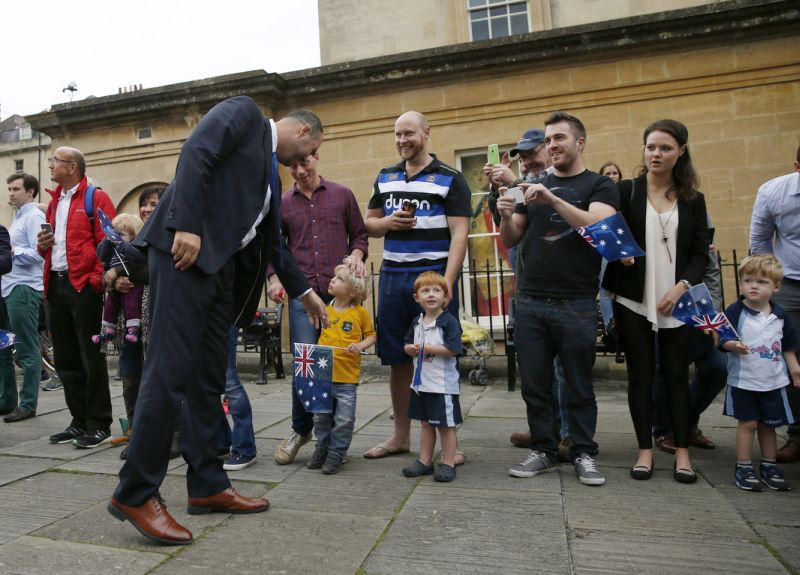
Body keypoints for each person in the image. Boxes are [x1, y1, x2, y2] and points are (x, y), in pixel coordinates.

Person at [108, 96, 328, 546]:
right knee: (167, 373)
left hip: (217, 274)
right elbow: (196, 152)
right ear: (302, 131)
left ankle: (208, 484)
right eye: (308, 152)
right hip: (184, 254)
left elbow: (271, 246)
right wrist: (186, 223)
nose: (304, 162)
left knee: (207, 382)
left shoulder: (270, 174)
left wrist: (306, 293)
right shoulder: (244, 114)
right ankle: (136, 491)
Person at [497, 110, 617, 486]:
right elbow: (512, 237)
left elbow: (597, 227)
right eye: (548, 139)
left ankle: (583, 451)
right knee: (535, 383)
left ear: (579, 143)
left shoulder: (599, 185)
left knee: (579, 383)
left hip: (576, 302)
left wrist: (550, 198)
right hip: (531, 299)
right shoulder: (529, 186)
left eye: (558, 138)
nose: (552, 145)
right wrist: (504, 215)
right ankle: (544, 449)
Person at [602, 119, 709, 484]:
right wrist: (620, 253)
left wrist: (682, 286)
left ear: (680, 152)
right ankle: (644, 451)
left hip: (676, 300)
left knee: (678, 377)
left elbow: (699, 255)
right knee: (641, 378)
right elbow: (604, 228)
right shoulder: (627, 190)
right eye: (650, 147)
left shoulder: (694, 199)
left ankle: (681, 452)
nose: (656, 154)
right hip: (633, 299)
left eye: (665, 148)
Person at [363, 111, 470, 461]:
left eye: (408, 133)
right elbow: (368, 224)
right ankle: (400, 437)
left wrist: (447, 282)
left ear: (426, 133)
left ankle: (449, 446)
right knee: (397, 357)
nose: (402, 140)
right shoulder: (386, 176)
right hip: (394, 278)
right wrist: (388, 222)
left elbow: (460, 234)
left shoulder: (451, 178)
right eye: (397, 134)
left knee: (441, 360)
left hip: (432, 279)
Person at [266, 151, 368, 465]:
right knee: (305, 364)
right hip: (302, 294)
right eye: (292, 166)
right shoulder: (282, 203)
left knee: (337, 364)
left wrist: (356, 255)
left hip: (339, 295)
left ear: (316, 157)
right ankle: (302, 429)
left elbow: (360, 236)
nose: (298, 170)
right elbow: (274, 245)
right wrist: (272, 278)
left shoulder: (342, 195)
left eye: (304, 163)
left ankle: (333, 438)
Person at [37, 148, 116, 448]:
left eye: (55, 161)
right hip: (55, 285)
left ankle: (99, 423)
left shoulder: (95, 197)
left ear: (72, 167)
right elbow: (53, 247)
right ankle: (79, 420)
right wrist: (42, 245)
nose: (51, 165)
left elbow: (108, 242)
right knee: (66, 358)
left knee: (90, 356)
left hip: (83, 286)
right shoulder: (54, 201)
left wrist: (95, 280)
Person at [719, 254, 800, 491]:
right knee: (749, 424)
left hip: (774, 382)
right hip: (745, 382)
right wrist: (734, 345)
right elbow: (723, 338)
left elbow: (787, 345)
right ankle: (743, 466)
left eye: (761, 282)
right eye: (748, 280)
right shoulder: (736, 311)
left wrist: (794, 368)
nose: (753, 286)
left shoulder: (780, 315)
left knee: (769, 425)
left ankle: (769, 464)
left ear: (776, 287)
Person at [105, 188, 165, 459]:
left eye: (154, 204)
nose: (147, 209)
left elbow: (149, 270)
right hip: (127, 322)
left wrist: (117, 271)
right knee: (130, 376)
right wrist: (112, 279)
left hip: (153, 317)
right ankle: (136, 433)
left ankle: (159, 434)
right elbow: (103, 269)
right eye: (144, 204)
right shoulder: (122, 240)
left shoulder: (161, 236)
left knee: (156, 378)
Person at [750, 147, 800, 463]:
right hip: (791, 284)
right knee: (791, 360)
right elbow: (759, 242)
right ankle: (797, 435)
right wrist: (769, 285)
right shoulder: (774, 192)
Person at [306, 261, 376, 475]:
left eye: (339, 279)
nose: (332, 280)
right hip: (323, 375)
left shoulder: (359, 313)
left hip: (347, 378)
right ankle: (322, 447)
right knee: (321, 416)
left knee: (344, 419)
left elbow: (372, 335)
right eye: (334, 277)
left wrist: (361, 345)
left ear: (353, 290)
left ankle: (337, 452)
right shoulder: (324, 309)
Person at [401, 271, 463, 483]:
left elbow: (454, 348)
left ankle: (448, 462)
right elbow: (408, 343)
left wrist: (427, 348)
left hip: (442, 385)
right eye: (425, 290)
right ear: (416, 297)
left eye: (437, 290)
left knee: (446, 425)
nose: (431, 294)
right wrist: (409, 348)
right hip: (421, 384)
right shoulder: (417, 322)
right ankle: (424, 460)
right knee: (426, 424)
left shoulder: (449, 322)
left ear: (445, 297)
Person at [1, 173, 45, 423]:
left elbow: (40, 254)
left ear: (30, 192)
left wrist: (11, 250)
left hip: (24, 288)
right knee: (4, 346)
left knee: (26, 347)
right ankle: (7, 400)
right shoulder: (17, 218)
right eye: (9, 189)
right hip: (8, 289)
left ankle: (28, 404)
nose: (10, 193)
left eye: (16, 188)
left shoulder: (34, 216)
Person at [92, 214, 146, 345]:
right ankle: (109, 330)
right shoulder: (111, 247)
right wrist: (106, 240)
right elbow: (101, 256)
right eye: (114, 234)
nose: (115, 238)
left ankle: (133, 329)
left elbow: (139, 260)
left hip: (132, 284)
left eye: (121, 235)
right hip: (114, 287)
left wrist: (122, 245)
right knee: (110, 305)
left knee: (131, 304)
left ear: (133, 236)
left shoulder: (134, 247)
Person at [219, 324, 258, 471]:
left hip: (223, 316)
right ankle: (220, 442)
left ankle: (244, 448)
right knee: (205, 382)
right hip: (200, 315)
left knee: (229, 380)